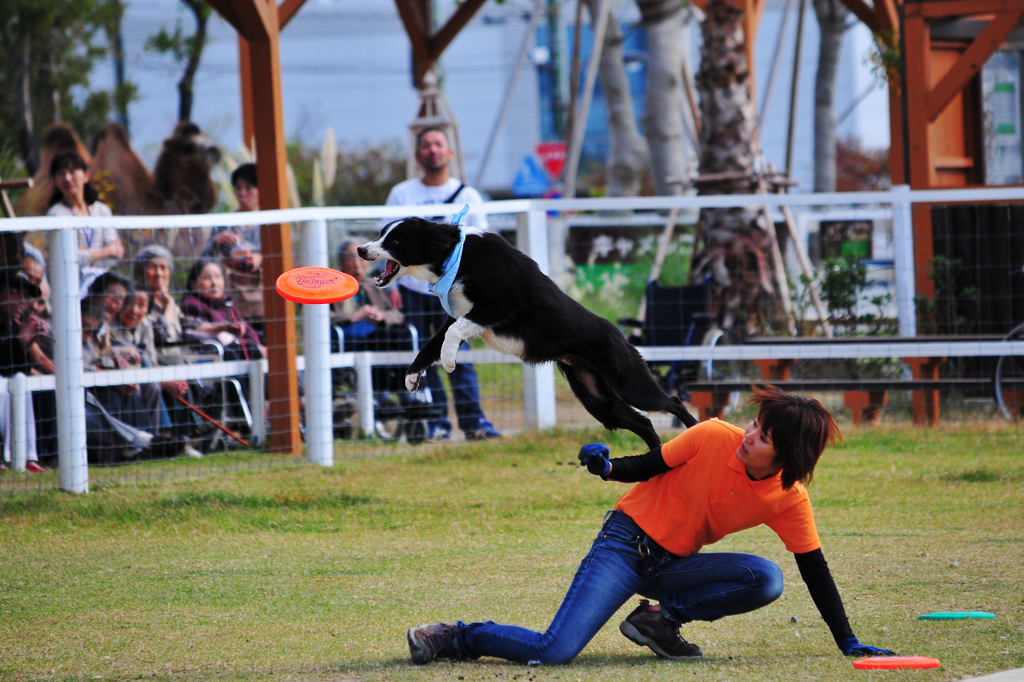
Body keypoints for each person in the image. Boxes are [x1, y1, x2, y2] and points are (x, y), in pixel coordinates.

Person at [406, 386, 896, 666]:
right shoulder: (712, 436)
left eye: (764, 437)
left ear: (788, 456)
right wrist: (605, 467)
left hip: (672, 566)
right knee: (554, 651)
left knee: (766, 577)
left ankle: (659, 620)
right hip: (624, 545)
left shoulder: (789, 498)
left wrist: (846, 639)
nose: (749, 436)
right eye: (754, 425)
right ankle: (457, 636)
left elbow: (815, 569)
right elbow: (649, 464)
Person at [384, 126, 499, 441]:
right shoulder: (401, 194)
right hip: (413, 291)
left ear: (450, 152)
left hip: (456, 293)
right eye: (426, 145)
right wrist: (391, 286)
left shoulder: (468, 195)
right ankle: (435, 423)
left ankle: (474, 422)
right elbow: (388, 245)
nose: (432, 150)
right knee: (425, 356)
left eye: (438, 144)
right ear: (417, 155)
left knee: (459, 355)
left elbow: (481, 243)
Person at [45, 149, 124, 292]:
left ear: (86, 176)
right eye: (61, 173)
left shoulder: (101, 211)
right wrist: (105, 251)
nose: (67, 178)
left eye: (72, 171)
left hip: (103, 288)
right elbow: (66, 257)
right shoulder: (57, 214)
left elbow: (117, 253)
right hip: (70, 289)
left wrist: (84, 255)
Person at [202, 163, 265, 336]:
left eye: (248, 187)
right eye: (238, 188)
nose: (242, 193)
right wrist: (215, 242)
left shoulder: (271, 221)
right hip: (234, 302)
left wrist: (260, 258)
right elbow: (203, 263)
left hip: (267, 301)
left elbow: (288, 258)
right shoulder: (225, 222)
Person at [0, 269, 47, 472]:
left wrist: (26, 343)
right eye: (14, 293)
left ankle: (27, 457)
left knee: (21, 382)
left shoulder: (11, 326)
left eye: (25, 296)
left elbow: (15, 368)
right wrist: (21, 341)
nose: (21, 301)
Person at [180, 258, 265, 360]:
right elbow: (202, 336)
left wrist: (258, 347)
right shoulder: (191, 306)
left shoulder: (227, 304)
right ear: (194, 285)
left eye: (218, 277)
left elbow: (248, 331)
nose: (214, 283)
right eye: (207, 278)